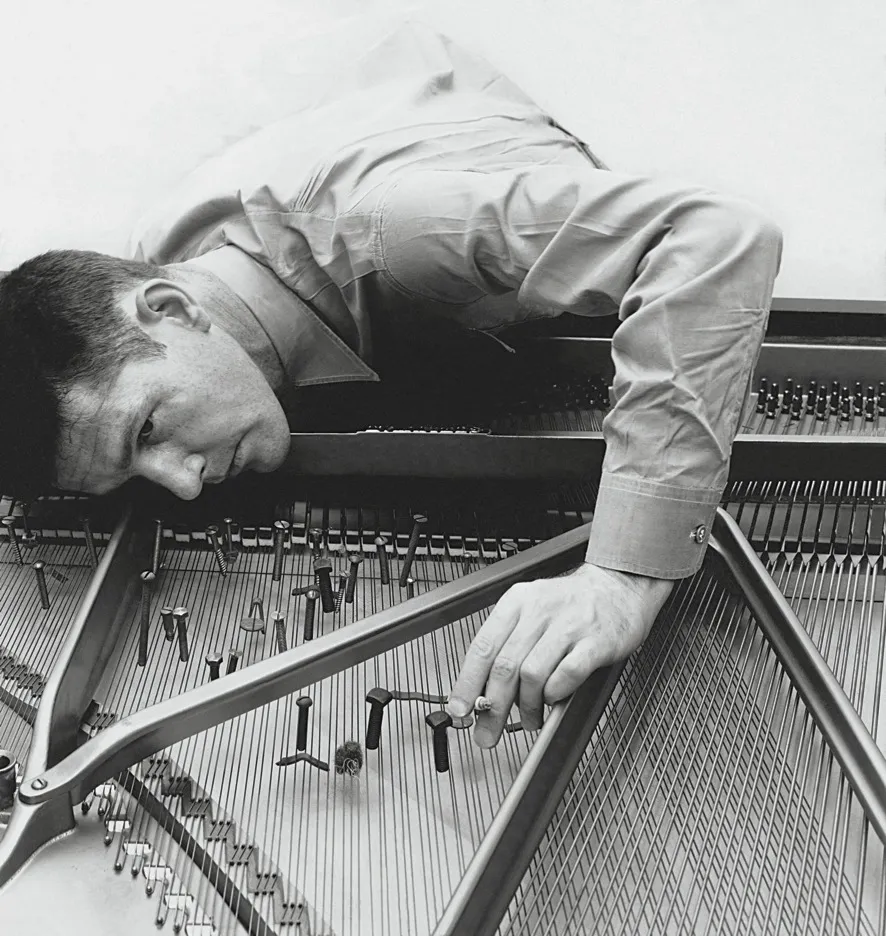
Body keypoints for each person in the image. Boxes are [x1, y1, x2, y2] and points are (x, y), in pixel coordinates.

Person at [0, 24, 782, 749]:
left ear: (171, 307)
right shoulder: (160, 266)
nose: (182, 485)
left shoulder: (401, 234)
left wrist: (618, 581)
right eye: (131, 476)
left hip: (457, 157)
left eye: (146, 433)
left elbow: (716, 235)